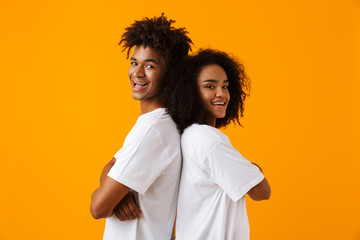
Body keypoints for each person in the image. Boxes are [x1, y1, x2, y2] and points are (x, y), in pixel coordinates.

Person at [90, 14, 192, 240]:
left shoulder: (153, 131)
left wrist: (111, 195)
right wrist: (118, 191)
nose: (137, 73)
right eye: (134, 62)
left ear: (170, 74)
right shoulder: (160, 124)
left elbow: (98, 208)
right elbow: (113, 163)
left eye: (150, 65)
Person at [162, 49, 271, 239]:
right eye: (210, 86)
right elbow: (262, 191)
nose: (221, 94)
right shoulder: (207, 139)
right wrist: (254, 168)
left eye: (225, 86)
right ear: (191, 92)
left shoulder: (189, 135)